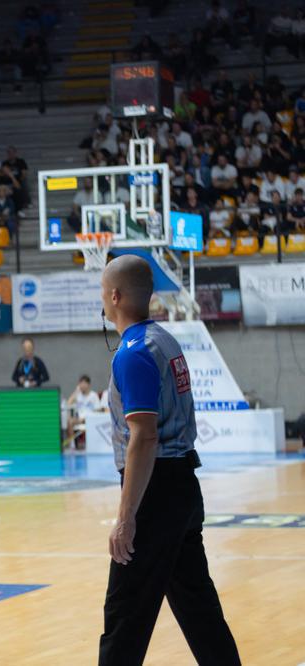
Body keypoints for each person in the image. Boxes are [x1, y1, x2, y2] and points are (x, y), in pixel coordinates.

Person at [98, 255, 240, 664]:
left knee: (125, 614)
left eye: (102, 293)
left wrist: (126, 517)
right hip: (182, 486)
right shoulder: (164, 340)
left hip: (155, 492)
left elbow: (144, 437)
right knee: (199, 610)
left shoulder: (133, 353)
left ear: (115, 296)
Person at [65, 375, 101, 450]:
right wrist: (76, 391)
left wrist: (88, 417)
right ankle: (72, 444)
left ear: (88, 384)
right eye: (80, 384)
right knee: (70, 421)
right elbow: (68, 403)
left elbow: (98, 409)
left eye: (84, 383)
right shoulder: (78, 395)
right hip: (79, 419)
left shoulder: (93, 395)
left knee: (81, 419)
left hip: (91, 419)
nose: (82, 386)